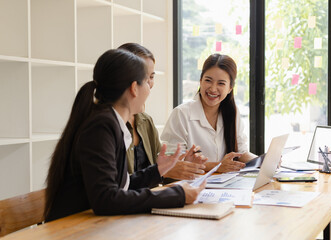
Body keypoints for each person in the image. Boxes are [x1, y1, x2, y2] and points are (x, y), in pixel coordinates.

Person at [44, 49, 205, 222]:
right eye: (146, 81)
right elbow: (106, 199)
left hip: (92, 225)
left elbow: (121, 186)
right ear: (134, 88)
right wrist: (177, 195)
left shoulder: (108, 121)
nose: (150, 89)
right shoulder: (101, 126)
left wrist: (157, 170)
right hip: (71, 230)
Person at [118, 43, 207, 180]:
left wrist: (182, 167)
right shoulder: (109, 126)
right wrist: (164, 171)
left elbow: (158, 174)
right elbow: (120, 189)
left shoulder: (145, 121)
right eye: (144, 77)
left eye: (152, 77)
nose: (149, 84)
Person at [161, 53, 258, 173]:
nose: (213, 89)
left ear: (230, 88)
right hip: (190, 187)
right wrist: (217, 166)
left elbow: (241, 152)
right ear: (200, 81)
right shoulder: (181, 114)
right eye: (208, 80)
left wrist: (262, 161)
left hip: (225, 186)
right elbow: (172, 164)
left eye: (221, 83)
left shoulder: (233, 113)